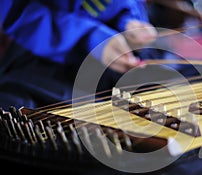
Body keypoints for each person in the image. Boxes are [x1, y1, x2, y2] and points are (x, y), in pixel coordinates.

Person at [0, 0, 157, 110]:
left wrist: (128, 20)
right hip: (36, 53)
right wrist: (89, 37)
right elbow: (14, 11)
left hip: (99, 53)